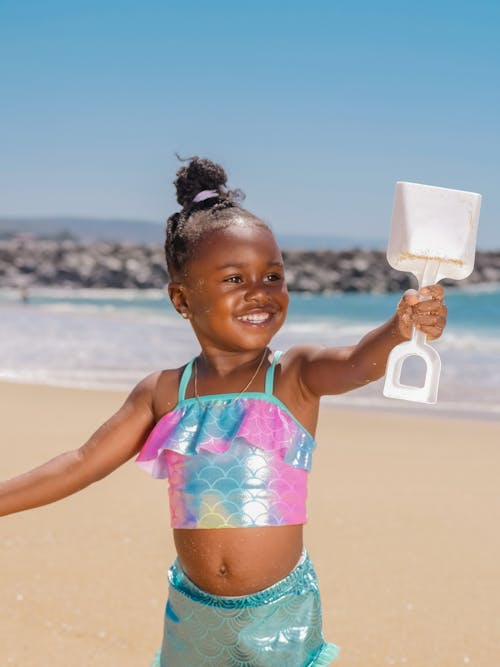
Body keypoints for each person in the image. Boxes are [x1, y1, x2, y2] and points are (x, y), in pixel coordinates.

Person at [0, 157, 447, 666]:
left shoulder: (294, 376)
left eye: (273, 275)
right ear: (182, 299)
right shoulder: (165, 392)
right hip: (193, 609)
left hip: (279, 613)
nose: (260, 292)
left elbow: (356, 363)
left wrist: (400, 329)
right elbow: (81, 462)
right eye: (234, 278)